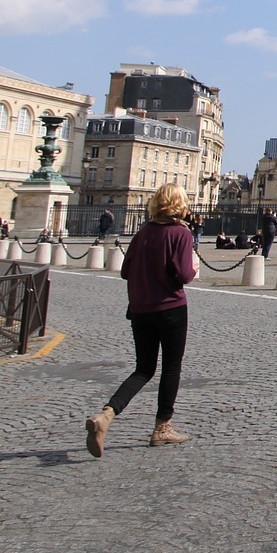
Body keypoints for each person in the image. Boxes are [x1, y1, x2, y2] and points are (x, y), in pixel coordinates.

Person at [86, 183, 198, 455]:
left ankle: (106, 415)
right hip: (170, 308)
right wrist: (192, 268)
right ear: (180, 205)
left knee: (143, 369)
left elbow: (125, 271)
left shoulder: (143, 232)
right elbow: (183, 274)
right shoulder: (180, 233)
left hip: (140, 310)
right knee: (171, 367)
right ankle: (162, 428)